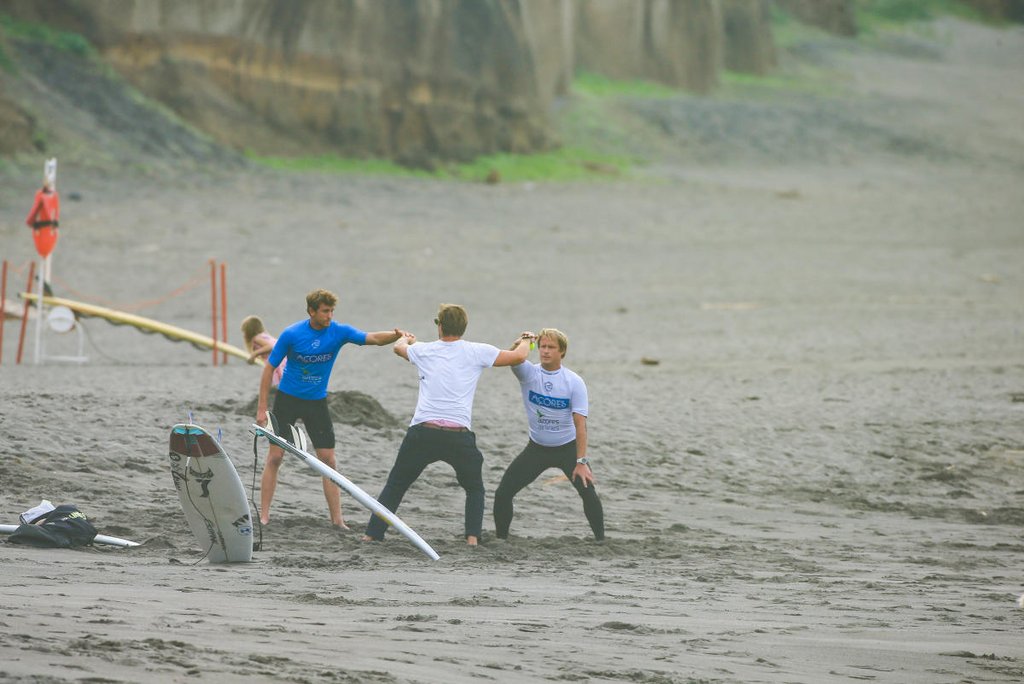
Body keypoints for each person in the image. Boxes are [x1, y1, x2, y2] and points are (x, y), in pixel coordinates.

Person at [362, 303, 532, 546]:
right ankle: (472, 538)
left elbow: (398, 348)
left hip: (423, 432)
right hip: (457, 435)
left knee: (396, 485)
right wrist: (527, 339)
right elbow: (519, 356)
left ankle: (372, 534)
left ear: (440, 326)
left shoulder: (424, 350)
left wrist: (408, 339)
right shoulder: (477, 351)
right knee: (474, 488)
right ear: (463, 327)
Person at [255, 289, 406, 529]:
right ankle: (264, 516)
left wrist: (396, 335)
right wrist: (262, 408)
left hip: (317, 402)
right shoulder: (292, 334)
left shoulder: (338, 331)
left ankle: (338, 520)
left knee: (328, 461)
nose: (329, 315)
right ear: (312, 311)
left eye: (331, 311)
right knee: (275, 456)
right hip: (287, 400)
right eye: (325, 311)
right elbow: (268, 368)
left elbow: (373, 338)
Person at [494, 328, 605, 541]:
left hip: (568, 449)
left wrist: (581, 461)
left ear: (561, 352)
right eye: (542, 346)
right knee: (503, 493)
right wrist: (524, 342)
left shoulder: (574, 382)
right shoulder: (529, 374)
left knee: (588, 493)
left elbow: (581, 426)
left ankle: (600, 540)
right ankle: (501, 540)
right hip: (537, 449)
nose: (545, 351)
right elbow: (513, 358)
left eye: (551, 347)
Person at [25, 158, 60, 284]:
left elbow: (54, 212)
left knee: (44, 254)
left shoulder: (49, 197)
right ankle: (43, 279)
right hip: (43, 231)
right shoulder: (41, 196)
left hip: (45, 231)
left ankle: (44, 279)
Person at [241, 315, 285, 387]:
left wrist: (254, 354)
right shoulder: (264, 335)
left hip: (277, 361)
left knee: (277, 382)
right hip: (281, 358)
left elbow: (270, 346)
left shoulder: (256, 338)